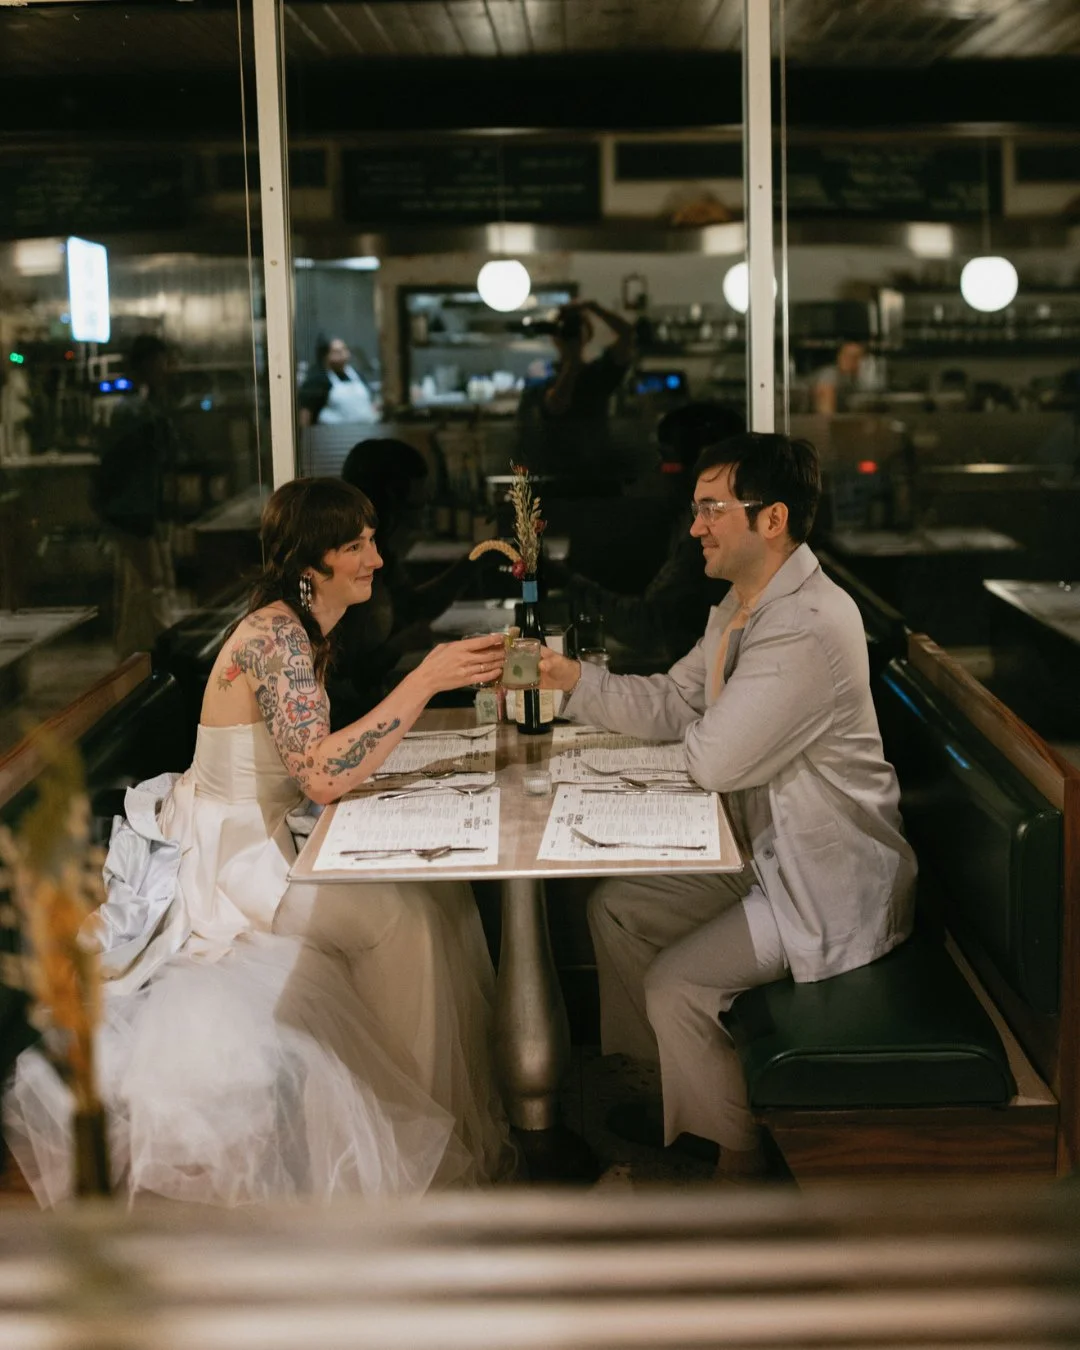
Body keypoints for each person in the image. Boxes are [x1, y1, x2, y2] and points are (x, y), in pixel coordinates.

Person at [5, 478, 515, 1206]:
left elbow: (306, 769)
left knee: (439, 894)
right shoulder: (275, 635)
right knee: (401, 922)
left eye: (372, 538)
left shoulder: (303, 625)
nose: (377, 556)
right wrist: (425, 680)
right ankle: (418, 1160)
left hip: (270, 831)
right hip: (233, 860)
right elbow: (319, 775)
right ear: (313, 564)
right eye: (356, 546)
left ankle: (426, 1122)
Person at [539, 433, 917, 1180]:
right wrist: (571, 678)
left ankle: (741, 1158)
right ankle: (682, 1096)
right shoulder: (740, 605)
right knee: (618, 909)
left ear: (772, 519)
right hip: (756, 852)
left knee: (675, 984)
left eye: (711, 509)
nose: (695, 527)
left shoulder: (806, 624)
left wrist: (660, 751)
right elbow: (677, 700)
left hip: (823, 878)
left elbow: (712, 756)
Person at [545, 402, 745, 663]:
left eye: (667, 459)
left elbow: (648, 625)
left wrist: (567, 582)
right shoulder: (690, 521)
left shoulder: (709, 538)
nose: (659, 471)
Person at [328, 438, 488, 725]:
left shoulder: (382, 552)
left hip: (377, 706)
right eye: (418, 499)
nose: (426, 504)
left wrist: (476, 560)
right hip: (353, 719)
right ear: (392, 494)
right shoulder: (345, 572)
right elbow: (342, 680)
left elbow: (411, 606)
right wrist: (399, 646)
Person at [93, 334, 182, 657]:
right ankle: (142, 652)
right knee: (144, 583)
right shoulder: (135, 409)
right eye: (161, 362)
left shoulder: (142, 406)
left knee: (141, 585)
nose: (166, 369)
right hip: (131, 510)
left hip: (136, 509)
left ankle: (137, 652)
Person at [519, 300, 635, 425]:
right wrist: (572, 361)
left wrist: (592, 306)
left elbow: (627, 335)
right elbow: (556, 406)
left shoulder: (598, 373)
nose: (570, 334)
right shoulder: (541, 374)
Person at [298, 336, 378, 426]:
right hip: (332, 436)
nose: (342, 354)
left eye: (344, 349)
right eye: (336, 351)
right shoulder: (317, 381)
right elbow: (306, 413)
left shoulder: (358, 375)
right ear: (326, 356)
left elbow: (370, 402)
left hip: (366, 431)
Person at [810, 340, 883, 415]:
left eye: (855, 357)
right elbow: (826, 413)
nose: (849, 360)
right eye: (846, 355)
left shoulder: (857, 379)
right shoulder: (829, 375)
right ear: (839, 356)